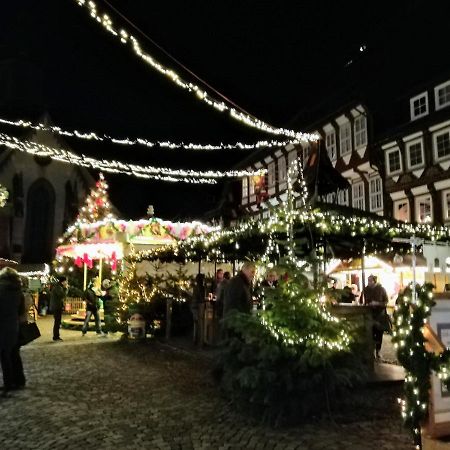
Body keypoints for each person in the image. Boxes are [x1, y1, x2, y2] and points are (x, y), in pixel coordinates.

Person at [0, 267, 25, 397]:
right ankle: (19, 380)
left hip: (2, 326)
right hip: (14, 326)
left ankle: (8, 384)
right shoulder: (18, 291)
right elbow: (21, 311)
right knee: (14, 353)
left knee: (4, 356)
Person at [362, 274, 390, 359]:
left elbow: (386, 301)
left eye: (370, 280)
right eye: (368, 280)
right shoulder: (366, 289)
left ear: (374, 281)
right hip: (369, 313)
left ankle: (378, 351)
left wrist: (377, 303)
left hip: (379, 314)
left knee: (379, 333)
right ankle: (371, 351)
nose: (369, 282)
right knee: (370, 333)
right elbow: (363, 300)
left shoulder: (381, 289)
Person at [49, 276, 68, 342]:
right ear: (63, 282)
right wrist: (65, 289)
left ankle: (56, 336)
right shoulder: (58, 287)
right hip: (56, 307)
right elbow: (62, 295)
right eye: (66, 281)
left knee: (57, 322)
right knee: (57, 322)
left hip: (57, 306)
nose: (66, 282)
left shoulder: (58, 287)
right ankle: (56, 337)